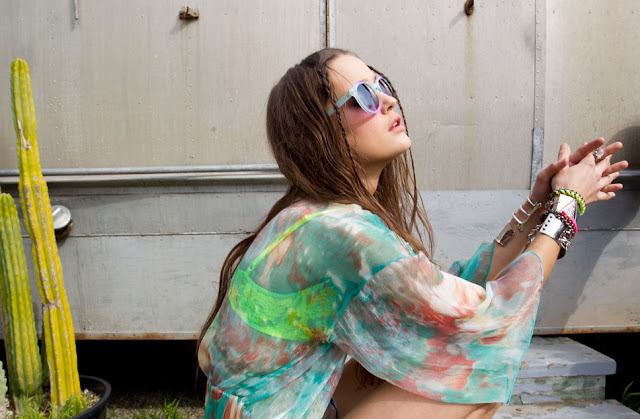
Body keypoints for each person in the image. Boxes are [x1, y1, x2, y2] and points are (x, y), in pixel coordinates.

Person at [197, 48, 628, 419]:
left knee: (432, 348)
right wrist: (567, 206)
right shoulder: (338, 233)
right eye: (362, 97)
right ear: (320, 133)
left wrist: (538, 206)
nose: (387, 100)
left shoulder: (314, 215)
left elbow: (447, 296)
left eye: (381, 84)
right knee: (475, 370)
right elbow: (486, 322)